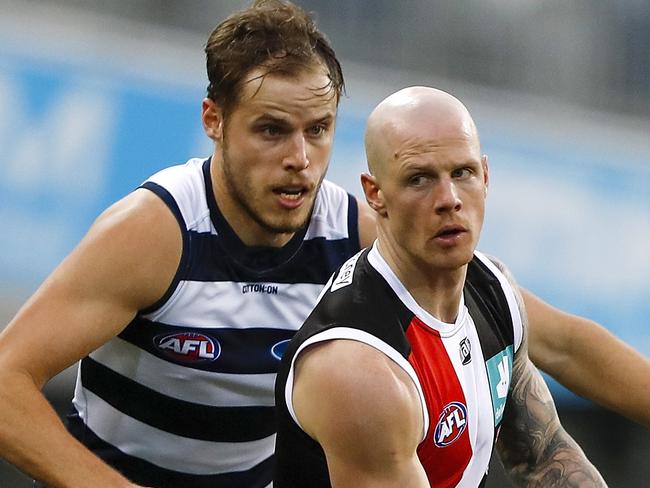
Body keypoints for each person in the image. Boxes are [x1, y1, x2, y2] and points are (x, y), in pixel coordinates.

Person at [0, 0, 645, 486]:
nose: (300, 160)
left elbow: (563, 343)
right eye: (272, 130)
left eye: (319, 129)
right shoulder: (155, 233)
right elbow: (6, 385)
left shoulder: (352, 229)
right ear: (213, 121)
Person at [274, 86, 607, 487]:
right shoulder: (358, 368)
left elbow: (545, 456)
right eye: (420, 179)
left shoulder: (493, 289)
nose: (449, 199)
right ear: (376, 195)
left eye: (462, 173)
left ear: (485, 176)